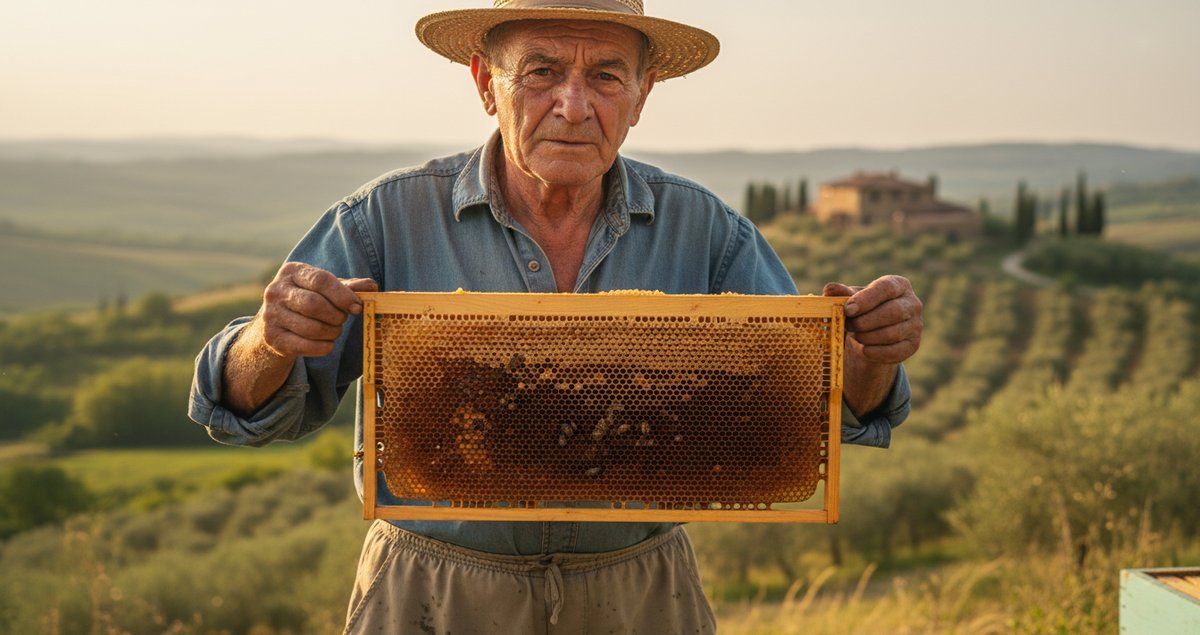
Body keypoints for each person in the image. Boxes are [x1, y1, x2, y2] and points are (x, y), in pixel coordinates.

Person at [189, 1, 923, 632]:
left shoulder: (707, 231)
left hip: (642, 591)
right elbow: (240, 406)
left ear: (643, 94)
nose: (574, 105)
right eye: (541, 71)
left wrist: (872, 352)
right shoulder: (385, 217)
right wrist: (270, 338)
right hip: (433, 592)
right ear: (485, 83)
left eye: (605, 75)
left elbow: (822, 407)